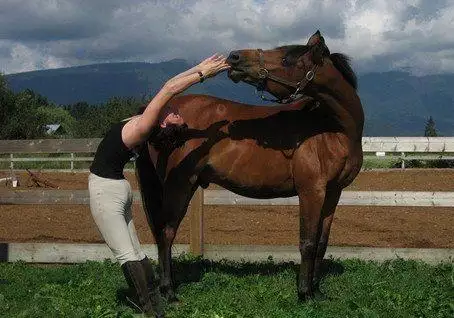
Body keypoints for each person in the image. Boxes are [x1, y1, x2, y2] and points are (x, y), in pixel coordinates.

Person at [88, 54, 230, 317]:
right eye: (176, 112)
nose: (176, 110)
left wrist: (203, 75)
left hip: (104, 191)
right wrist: (199, 67)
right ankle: (156, 307)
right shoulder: (144, 123)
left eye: (175, 115)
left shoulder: (144, 126)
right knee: (135, 251)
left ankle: (151, 312)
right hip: (118, 189)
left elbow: (168, 89)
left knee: (126, 256)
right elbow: (170, 85)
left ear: (162, 123)